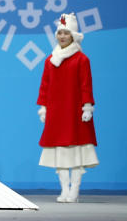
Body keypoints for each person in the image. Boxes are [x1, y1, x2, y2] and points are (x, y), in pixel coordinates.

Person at [37, 12, 97, 203]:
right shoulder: (50, 60)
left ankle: (75, 191)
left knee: (76, 151)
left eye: (66, 33)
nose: (62, 36)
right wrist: (43, 107)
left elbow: (86, 84)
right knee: (60, 153)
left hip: (75, 112)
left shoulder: (82, 59)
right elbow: (45, 85)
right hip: (57, 113)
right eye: (60, 33)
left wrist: (87, 106)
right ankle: (64, 190)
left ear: (73, 35)